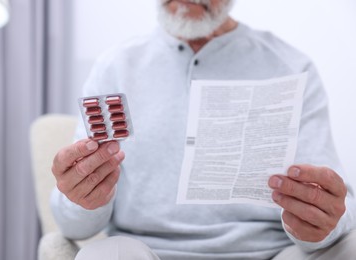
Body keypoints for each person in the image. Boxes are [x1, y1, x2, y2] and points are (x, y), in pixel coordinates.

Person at [50, 0, 356, 259]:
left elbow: (342, 209)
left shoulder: (291, 66)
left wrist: (324, 221)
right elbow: (75, 227)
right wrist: (82, 199)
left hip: (268, 252)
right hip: (144, 250)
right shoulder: (116, 65)